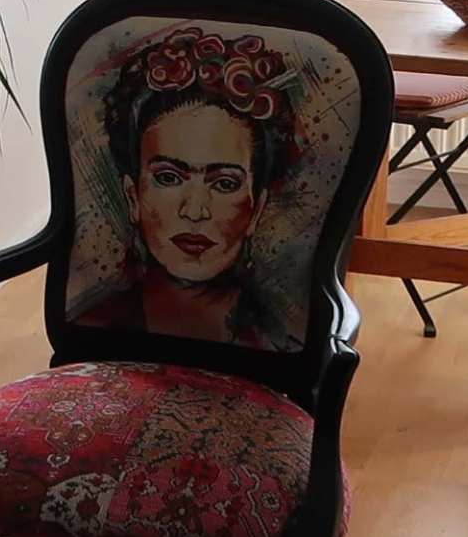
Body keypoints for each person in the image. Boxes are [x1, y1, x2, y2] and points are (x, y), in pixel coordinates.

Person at [71, 24, 302, 346]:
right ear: (132, 196)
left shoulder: (281, 340)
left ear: (257, 207)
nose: (194, 210)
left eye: (224, 183)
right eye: (168, 178)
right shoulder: (91, 328)